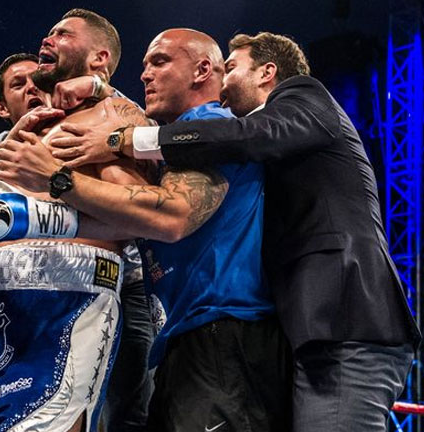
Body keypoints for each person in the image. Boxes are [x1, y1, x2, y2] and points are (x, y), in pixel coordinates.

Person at [40, 31, 421, 432]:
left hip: (346, 319)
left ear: (267, 73)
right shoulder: (237, 137)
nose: (221, 80)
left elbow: (237, 137)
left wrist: (123, 139)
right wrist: (102, 86)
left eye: (232, 68)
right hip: (301, 329)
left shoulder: (302, 98)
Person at [0, 28, 290, 432]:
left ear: (203, 70)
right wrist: (99, 91)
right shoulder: (166, 140)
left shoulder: (209, 126)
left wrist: (57, 178)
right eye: (145, 65)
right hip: (184, 336)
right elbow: (130, 134)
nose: (145, 74)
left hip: (226, 333)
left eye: (160, 62)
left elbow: (173, 216)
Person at [0, 9, 151, 432]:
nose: (49, 38)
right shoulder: (25, 132)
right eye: (48, 31)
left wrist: (32, 216)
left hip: (64, 299)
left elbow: (139, 216)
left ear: (99, 59)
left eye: (63, 34)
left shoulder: (112, 117)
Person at [0, 52, 154, 432]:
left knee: (116, 415)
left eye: (37, 82)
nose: (31, 90)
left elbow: (142, 214)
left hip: (92, 289)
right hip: (3, 300)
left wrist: (47, 201)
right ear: (1, 106)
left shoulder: (92, 131)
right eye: (18, 85)